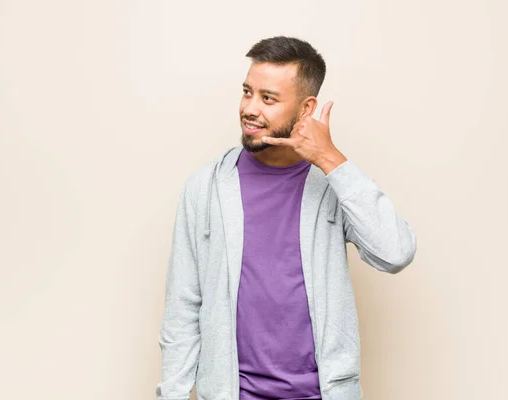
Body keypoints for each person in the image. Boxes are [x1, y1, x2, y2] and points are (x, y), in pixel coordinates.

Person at [156, 36, 417, 400]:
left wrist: (331, 159)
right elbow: (183, 305)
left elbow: (395, 252)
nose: (250, 108)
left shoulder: (332, 184)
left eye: (268, 99)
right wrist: (173, 393)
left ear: (306, 108)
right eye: (247, 92)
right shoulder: (207, 187)